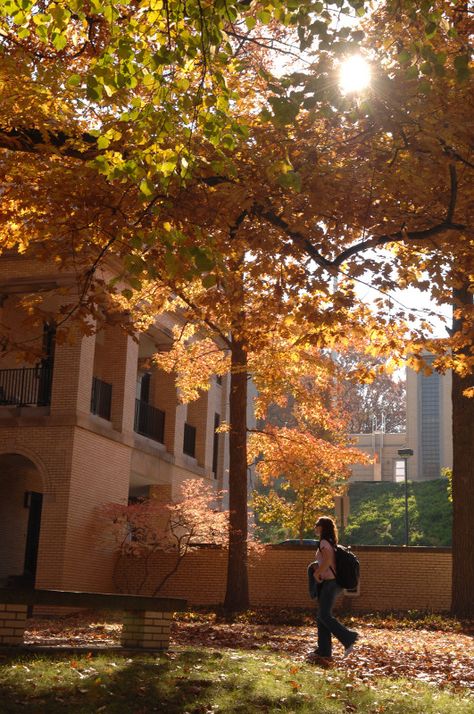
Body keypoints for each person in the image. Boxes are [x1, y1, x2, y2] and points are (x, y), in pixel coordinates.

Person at [308, 516, 359, 662]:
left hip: (330, 583)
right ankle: (324, 650)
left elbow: (328, 561)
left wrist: (317, 573)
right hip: (332, 583)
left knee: (324, 616)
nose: (315, 527)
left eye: (316, 525)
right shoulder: (331, 542)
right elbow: (327, 561)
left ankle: (349, 638)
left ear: (322, 527)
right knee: (321, 617)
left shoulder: (324, 542)